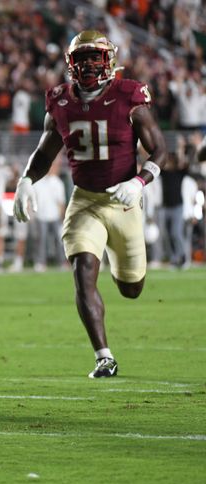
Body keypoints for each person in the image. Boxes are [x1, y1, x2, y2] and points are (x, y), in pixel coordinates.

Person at [14, 30, 167, 378]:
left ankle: (116, 256)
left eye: (94, 57)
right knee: (83, 271)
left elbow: (160, 149)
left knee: (131, 288)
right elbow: (45, 151)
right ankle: (103, 356)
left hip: (124, 200)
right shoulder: (60, 101)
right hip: (84, 201)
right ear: (70, 63)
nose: (87, 64)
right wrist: (25, 180)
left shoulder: (129, 95)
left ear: (108, 60)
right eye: (81, 57)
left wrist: (139, 181)